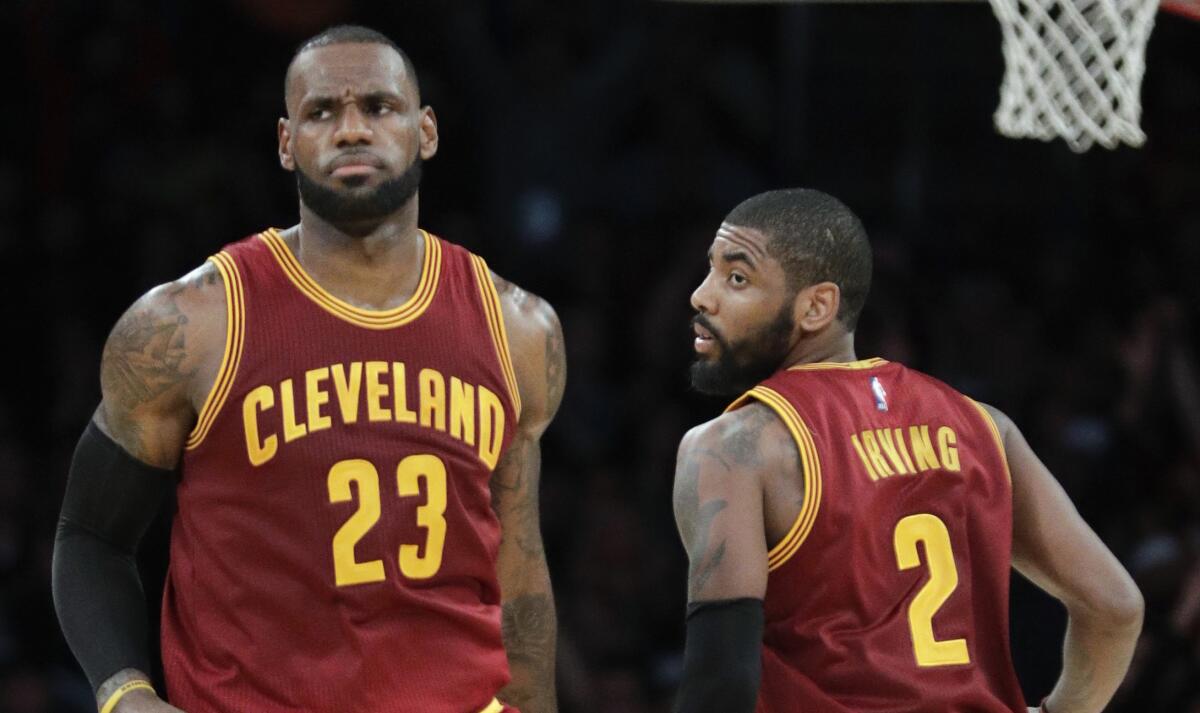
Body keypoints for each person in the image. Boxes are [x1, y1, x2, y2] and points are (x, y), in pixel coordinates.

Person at [51, 25, 563, 713]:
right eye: (323, 112)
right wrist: (126, 694)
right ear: (287, 144)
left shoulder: (518, 328)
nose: (352, 130)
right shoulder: (191, 323)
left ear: (427, 130)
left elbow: (520, 569)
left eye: (379, 107)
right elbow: (89, 537)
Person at [671, 188, 1143, 713]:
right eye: (709, 271)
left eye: (736, 278)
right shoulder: (985, 427)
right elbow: (1115, 608)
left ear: (816, 307)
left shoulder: (734, 447)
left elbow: (720, 685)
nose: (702, 295)